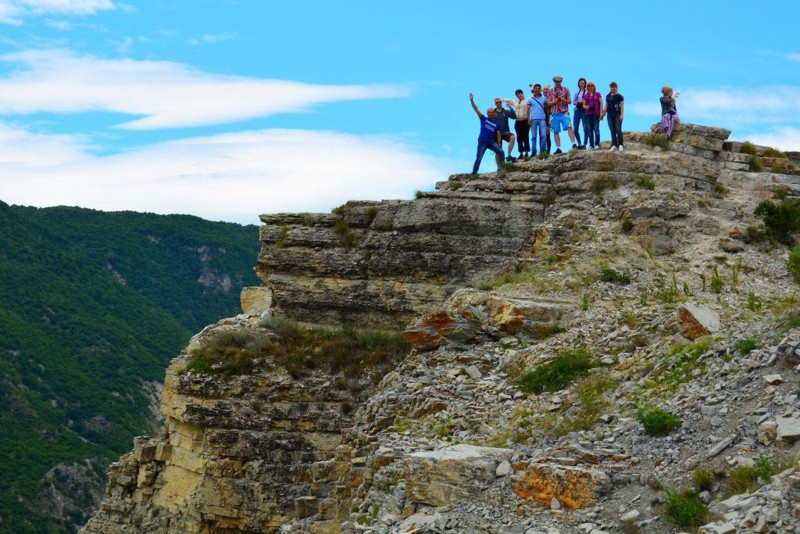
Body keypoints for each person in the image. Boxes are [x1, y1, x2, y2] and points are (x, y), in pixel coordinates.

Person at [469, 93, 505, 174]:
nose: (491, 113)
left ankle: (503, 168)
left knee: (501, 152)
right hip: (482, 142)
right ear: (487, 113)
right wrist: (472, 100)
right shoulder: (483, 119)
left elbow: (499, 134)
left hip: (491, 143)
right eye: (489, 112)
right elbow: (476, 109)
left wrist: (499, 143)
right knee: (479, 158)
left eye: (492, 112)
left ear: (494, 113)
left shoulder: (497, 124)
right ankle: (474, 173)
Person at [547, 75, 578, 154]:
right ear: (554, 81)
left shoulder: (565, 89)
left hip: (564, 112)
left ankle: (573, 143)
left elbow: (569, 101)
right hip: (554, 113)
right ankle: (559, 148)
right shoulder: (550, 91)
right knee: (555, 131)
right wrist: (556, 100)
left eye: (559, 81)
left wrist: (562, 99)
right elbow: (549, 103)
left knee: (569, 127)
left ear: (561, 82)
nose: (558, 83)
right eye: (556, 81)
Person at [492, 97, 518, 162]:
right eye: (497, 102)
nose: (498, 103)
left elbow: (514, 116)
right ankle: (499, 167)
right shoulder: (493, 113)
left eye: (500, 102)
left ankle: (509, 155)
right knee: (498, 150)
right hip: (496, 134)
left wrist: (510, 107)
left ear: (502, 103)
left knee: (512, 137)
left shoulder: (505, 112)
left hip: (505, 132)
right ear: (495, 104)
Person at [601, 81, 625, 151]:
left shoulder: (620, 96)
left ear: (617, 88)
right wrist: (603, 114)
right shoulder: (608, 96)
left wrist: (622, 115)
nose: (613, 89)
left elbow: (622, 106)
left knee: (618, 129)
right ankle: (614, 145)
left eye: (614, 87)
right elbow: (606, 106)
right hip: (609, 115)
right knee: (612, 130)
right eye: (611, 87)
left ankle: (621, 144)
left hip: (617, 114)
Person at [527, 84, 548, 157]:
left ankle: (542, 150)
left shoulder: (544, 98)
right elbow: (528, 109)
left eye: (539, 88)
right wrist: (528, 118)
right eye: (536, 88)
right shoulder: (530, 99)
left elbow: (546, 108)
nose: (538, 90)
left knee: (543, 135)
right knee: (533, 136)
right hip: (533, 119)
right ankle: (533, 151)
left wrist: (548, 119)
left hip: (542, 118)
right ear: (534, 89)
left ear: (540, 89)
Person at [582, 81, 603, 149]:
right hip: (588, 114)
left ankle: (597, 144)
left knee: (596, 129)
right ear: (587, 87)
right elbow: (583, 105)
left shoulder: (598, 94)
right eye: (589, 86)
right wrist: (587, 107)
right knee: (589, 130)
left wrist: (601, 114)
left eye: (592, 85)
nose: (590, 87)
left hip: (596, 113)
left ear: (594, 86)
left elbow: (601, 103)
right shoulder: (585, 95)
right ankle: (591, 144)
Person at [512, 89, 531, 158]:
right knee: (519, 138)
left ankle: (526, 152)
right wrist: (500, 99)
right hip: (517, 121)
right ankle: (521, 153)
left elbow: (533, 95)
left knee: (525, 136)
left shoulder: (527, 100)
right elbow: (507, 100)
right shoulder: (515, 102)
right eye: (517, 94)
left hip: (525, 121)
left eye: (520, 93)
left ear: (522, 94)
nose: (519, 95)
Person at [573, 78, 588, 149]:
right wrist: (579, 102)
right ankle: (579, 143)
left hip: (584, 110)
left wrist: (582, 102)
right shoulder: (577, 92)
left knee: (585, 128)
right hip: (577, 110)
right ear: (578, 84)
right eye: (580, 83)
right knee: (575, 128)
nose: (581, 84)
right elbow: (574, 102)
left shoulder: (587, 92)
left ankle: (585, 144)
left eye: (583, 83)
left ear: (585, 84)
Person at [541, 85, 552, 154]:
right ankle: (542, 149)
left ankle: (548, 150)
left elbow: (549, 105)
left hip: (549, 117)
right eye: (544, 89)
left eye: (546, 89)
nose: (545, 90)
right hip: (541, 118)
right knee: (542, 134)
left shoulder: (550, 97)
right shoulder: (540, 98)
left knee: (548, 135)